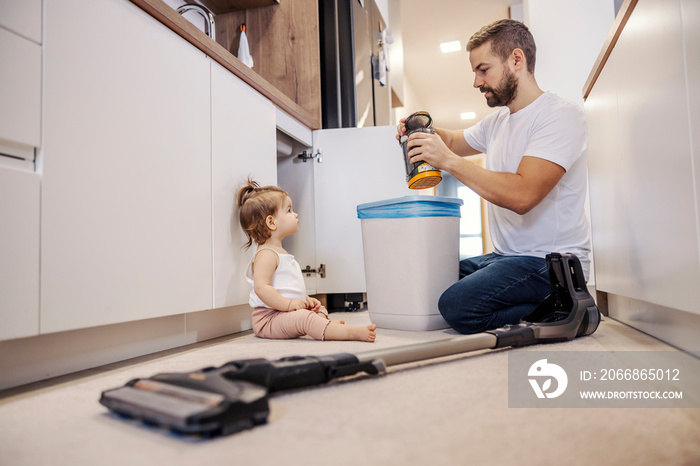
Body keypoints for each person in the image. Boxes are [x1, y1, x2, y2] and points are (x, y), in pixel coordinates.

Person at [397, 19, 590, 335]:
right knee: (429, 278)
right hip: (506, 258)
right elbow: (453, 140)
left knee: (455, 306)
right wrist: (419, 129)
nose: (476, 82)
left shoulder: (560, 116)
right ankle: (547, 305)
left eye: (483, 69)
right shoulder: (497, 122)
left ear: (516, 60)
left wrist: (448, 162)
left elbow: (523, 195)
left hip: (550, 264)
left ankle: (567, 304)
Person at [237, 179, 377, 342]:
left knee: (319, 309)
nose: (295, 214)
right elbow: (262, 288)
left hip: (284, 315)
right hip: (268, 320)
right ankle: (348, 333)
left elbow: (287, 288)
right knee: (305, 318)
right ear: (271, 222)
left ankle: (326, 326)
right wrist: (290, 306)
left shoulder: (281, 252)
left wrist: (305, 300)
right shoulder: (266, 254)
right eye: (289, 210)